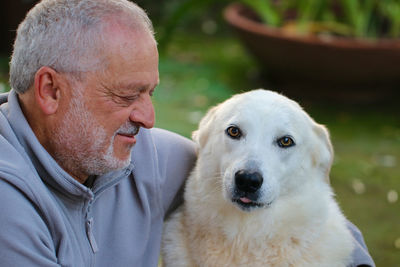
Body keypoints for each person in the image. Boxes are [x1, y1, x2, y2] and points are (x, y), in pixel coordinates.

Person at [0, 0, 374, 266]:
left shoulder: (145, 157)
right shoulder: (8, 200)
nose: (148, 118)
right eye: (127, 95)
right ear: (50, 90)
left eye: (150, 92)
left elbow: (306, 203)